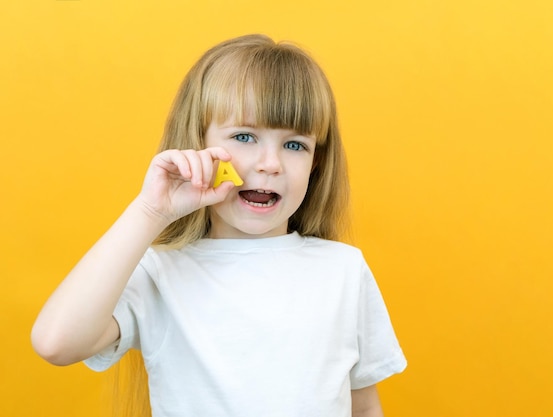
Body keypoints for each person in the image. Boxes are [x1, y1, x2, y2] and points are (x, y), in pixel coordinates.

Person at [31, 34, 407, 417]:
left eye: (295, 145)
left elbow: (364, 407)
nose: (270, 163)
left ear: (316, 164)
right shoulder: (161, 272)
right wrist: (150, 210)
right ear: (196, 144)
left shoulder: (343, 269)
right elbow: (55, 342)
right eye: (244, 137)